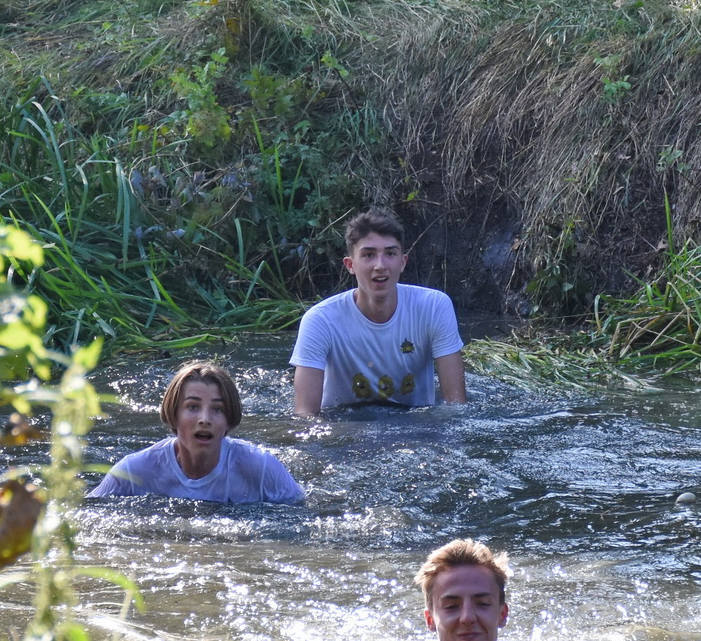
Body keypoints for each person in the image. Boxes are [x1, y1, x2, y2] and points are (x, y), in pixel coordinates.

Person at [291, 208, 467, 416]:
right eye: (368, 255)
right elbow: (305, 417)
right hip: (343, 428)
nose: (380, 265)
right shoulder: (320, 320)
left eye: (390, 254)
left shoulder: (434, 306)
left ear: (402, 263)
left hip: (415, 427)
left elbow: (457, 408)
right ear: (350, 265)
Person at [89, 361, 304, 504]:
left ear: (229, 421)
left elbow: (304, 513)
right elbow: (85, 515)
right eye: (193, 407)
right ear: (173, 415)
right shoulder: (131, 471)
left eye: (217, 409)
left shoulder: (260, 467)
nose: (205, 419)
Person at [381, 539, 561, 641]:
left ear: (502, 614)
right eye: (451, 606)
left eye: (482, 604)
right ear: (430, 620)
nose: (467, 617)